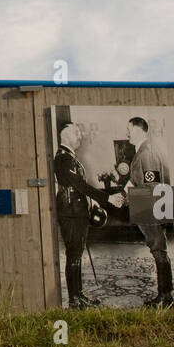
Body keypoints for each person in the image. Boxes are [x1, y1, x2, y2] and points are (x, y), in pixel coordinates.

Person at [53, 124, 109, 307]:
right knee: (74, 255)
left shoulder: (70, 157)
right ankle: (74, 299)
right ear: (66, 136)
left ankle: (78, 295)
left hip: (76, 212)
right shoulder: (63, 158)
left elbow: (78, 186)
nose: (80, 137)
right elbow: (79, 185)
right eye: (77, 133)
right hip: (71, 213)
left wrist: (91, 201)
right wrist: (106, 197)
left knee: (76, 254)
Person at [126, 117, 174, 307]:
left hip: (149, 206)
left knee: (159, 251)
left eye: (129, 129)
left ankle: (166, 297)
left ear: (138, 129)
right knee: (158, 251)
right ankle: (164, 296)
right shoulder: (143, 151)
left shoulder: (146, 152)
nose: (127, 133)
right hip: (147, 205)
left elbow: (151, 182)